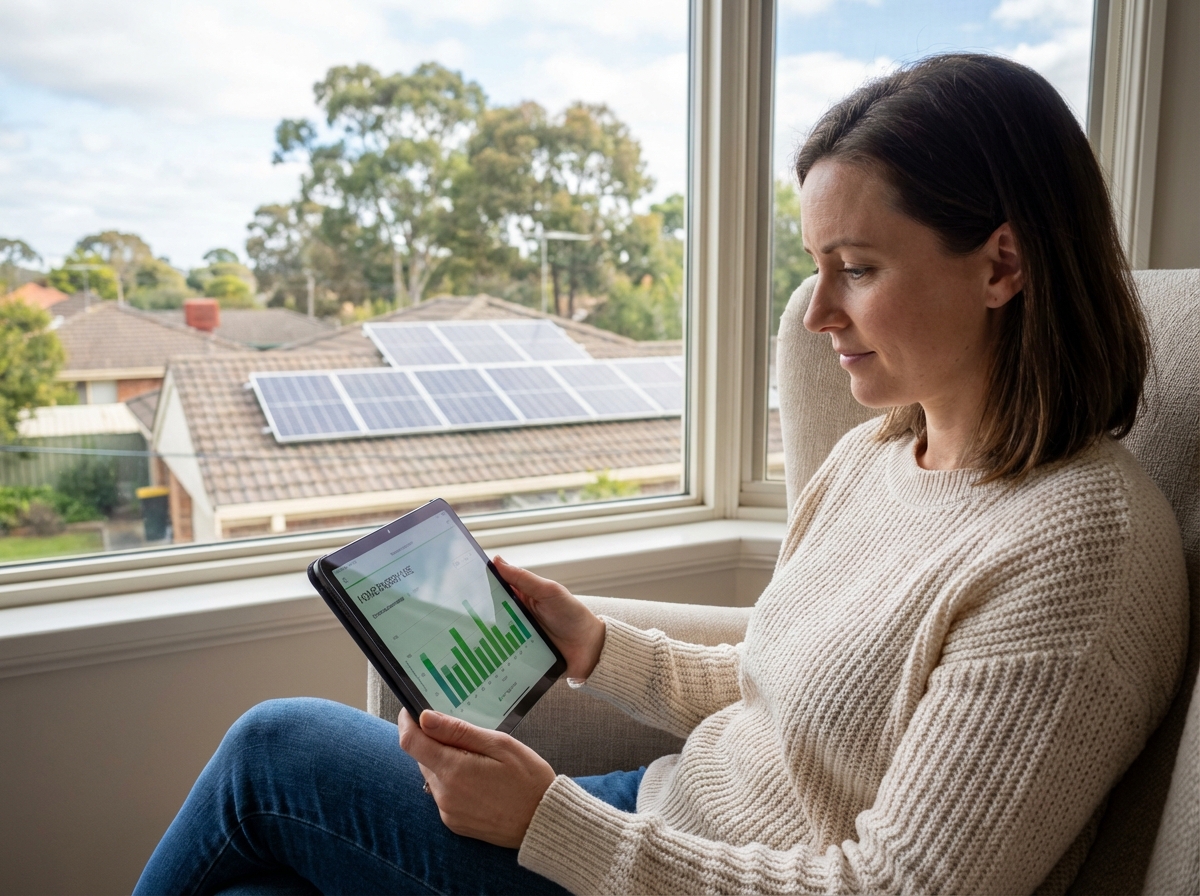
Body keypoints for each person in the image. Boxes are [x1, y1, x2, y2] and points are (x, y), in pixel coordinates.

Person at [135, 53, 1188, 896]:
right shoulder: (879, 453)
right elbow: (782, 689)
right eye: (816, 265)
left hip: (644, 865)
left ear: (1003, 265)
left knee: (274, 746)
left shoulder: (1080, 546)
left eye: (857, 269)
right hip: (652, 816)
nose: (818, 313)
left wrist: (552, 824)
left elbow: (896, 881)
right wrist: (594, 644)